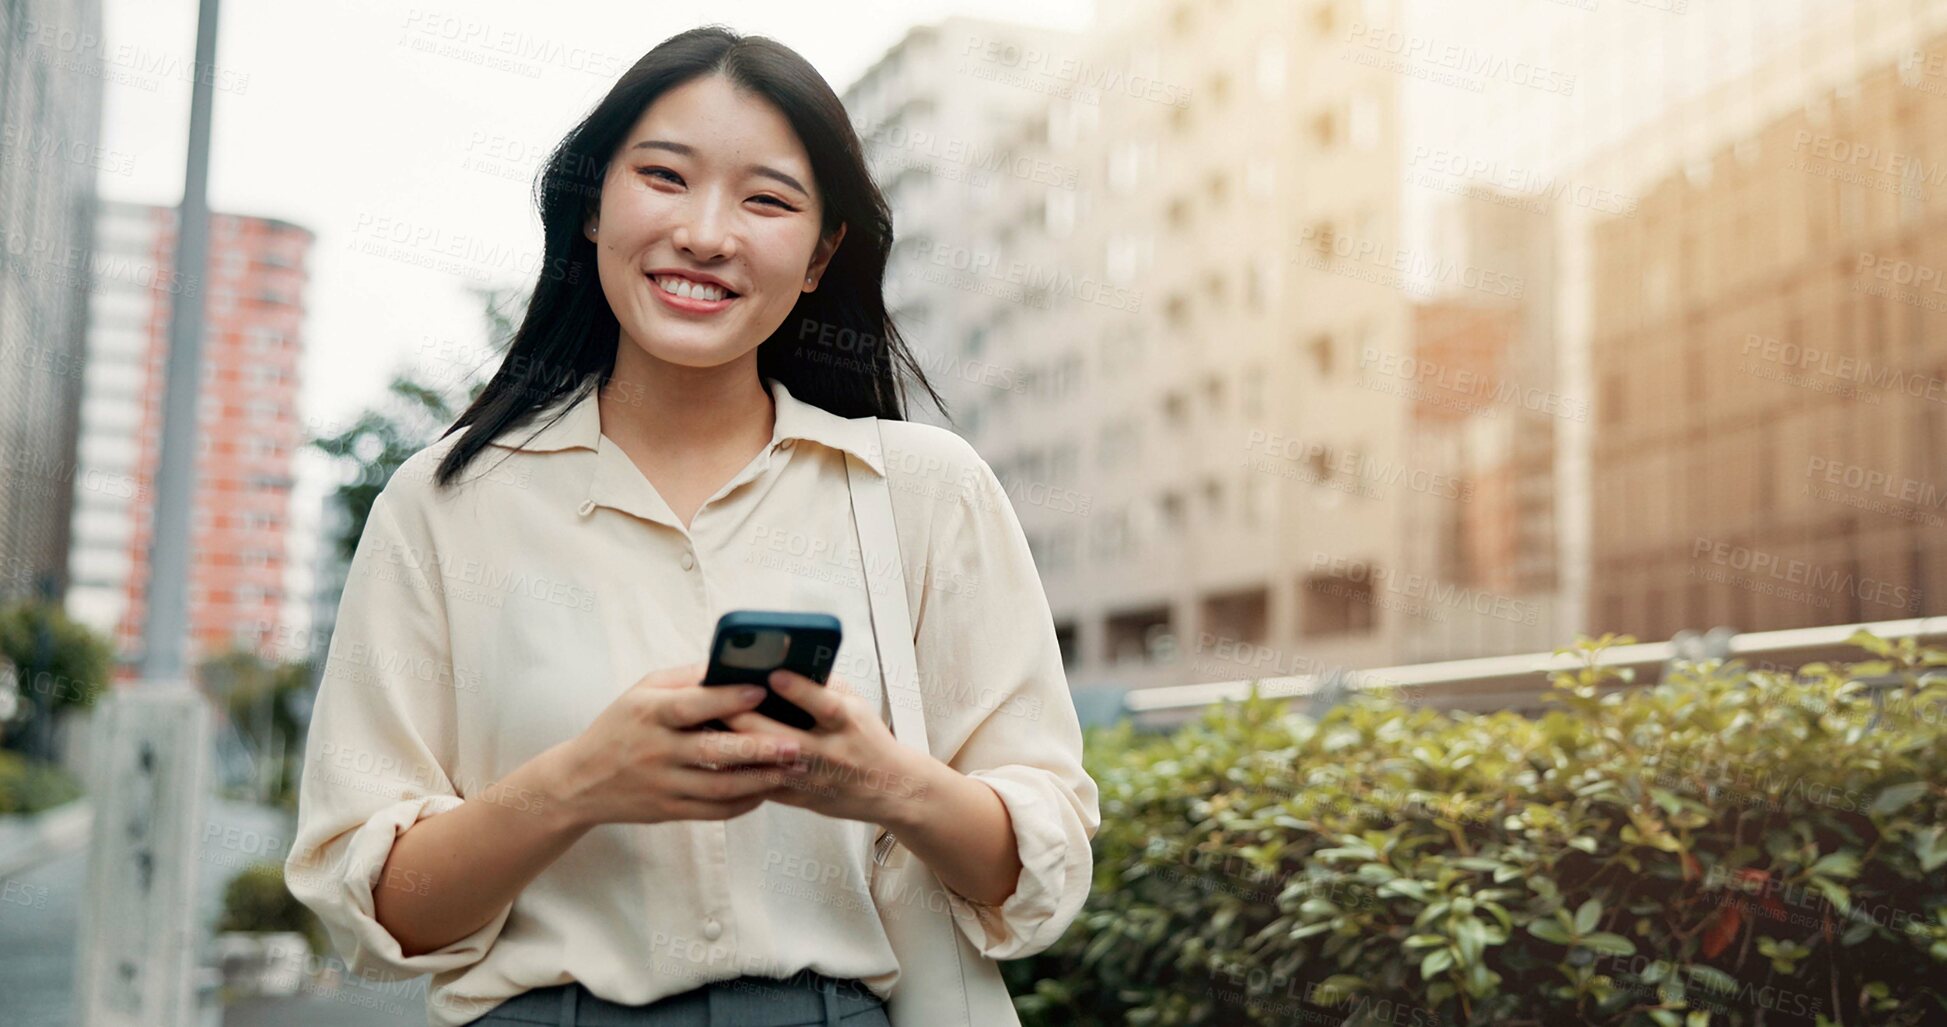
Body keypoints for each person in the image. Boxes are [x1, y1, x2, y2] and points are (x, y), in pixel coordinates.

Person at [284, 24, 1100, 1027]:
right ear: (593, 204)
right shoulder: (443, 504)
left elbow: (1041, 871)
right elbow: (380, 918)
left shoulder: (926, 492)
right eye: (664, 177)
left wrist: (886, 782)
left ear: (821, 254)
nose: (707, 234)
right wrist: (583, 780)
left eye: (767, 200)